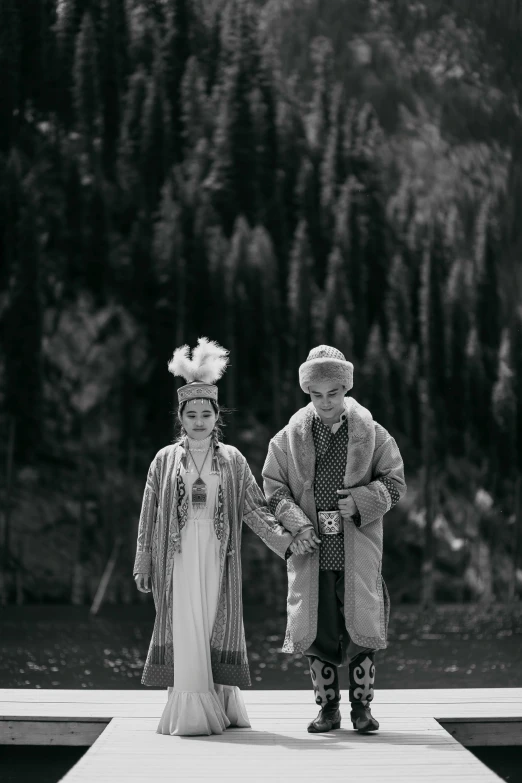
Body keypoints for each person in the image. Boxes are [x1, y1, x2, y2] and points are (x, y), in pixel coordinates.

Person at [133, 338, 306, 737]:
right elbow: (148, 512)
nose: (198, 421)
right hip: (175, 556)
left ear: (216, 416)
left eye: (205, 414)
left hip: (216, 554)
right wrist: (143, 558)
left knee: (213, 622)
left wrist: (286, 541)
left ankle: (219, 700)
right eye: (190, 414)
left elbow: (255, 509)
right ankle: (191, 709)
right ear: (181, 417)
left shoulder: (232, 460)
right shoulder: (163, 459)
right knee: (184, 625)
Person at [262, 345, 406, 734]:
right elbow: (273, 489)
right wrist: (298, 525)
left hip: (356, 547)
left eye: (333, 393)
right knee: (316, 629)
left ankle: (362, 709)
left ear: (346, 387)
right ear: (307, 391)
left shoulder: (373, 435)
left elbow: (395, 483)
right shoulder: (286, 439)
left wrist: (360, 500)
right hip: (313, 550)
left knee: (362, 626)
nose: (325, 402)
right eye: (316, 394)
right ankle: (328, 710)